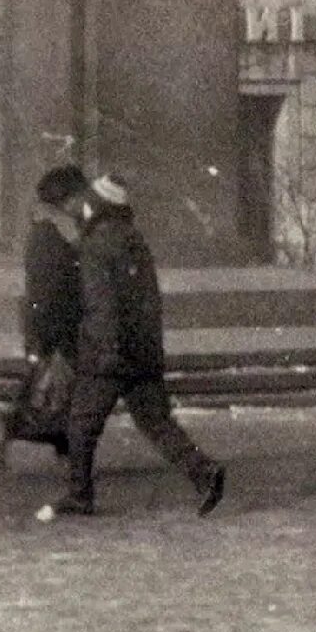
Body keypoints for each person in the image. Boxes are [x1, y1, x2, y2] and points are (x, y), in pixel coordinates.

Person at [49, 175, 226, 520]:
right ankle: (203, 472)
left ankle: (79, 495)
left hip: (110, 353)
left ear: (96, 207)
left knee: (81, 424)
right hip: (143, 350)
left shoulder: (96, 245)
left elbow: (102, 305)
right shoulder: (135, 241)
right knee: (156, 422)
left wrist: (103, 351)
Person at [0, 165, 89, 471]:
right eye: (80, 196)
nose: (84, 202)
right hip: (56, 324)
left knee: (56, 391)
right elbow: (49, 289)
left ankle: (62, 449)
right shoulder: (51, 234)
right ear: (66, 199)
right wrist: (52, 333)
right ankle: (5, 431)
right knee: (57, 392)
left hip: (55, 322)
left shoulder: (56, 230)